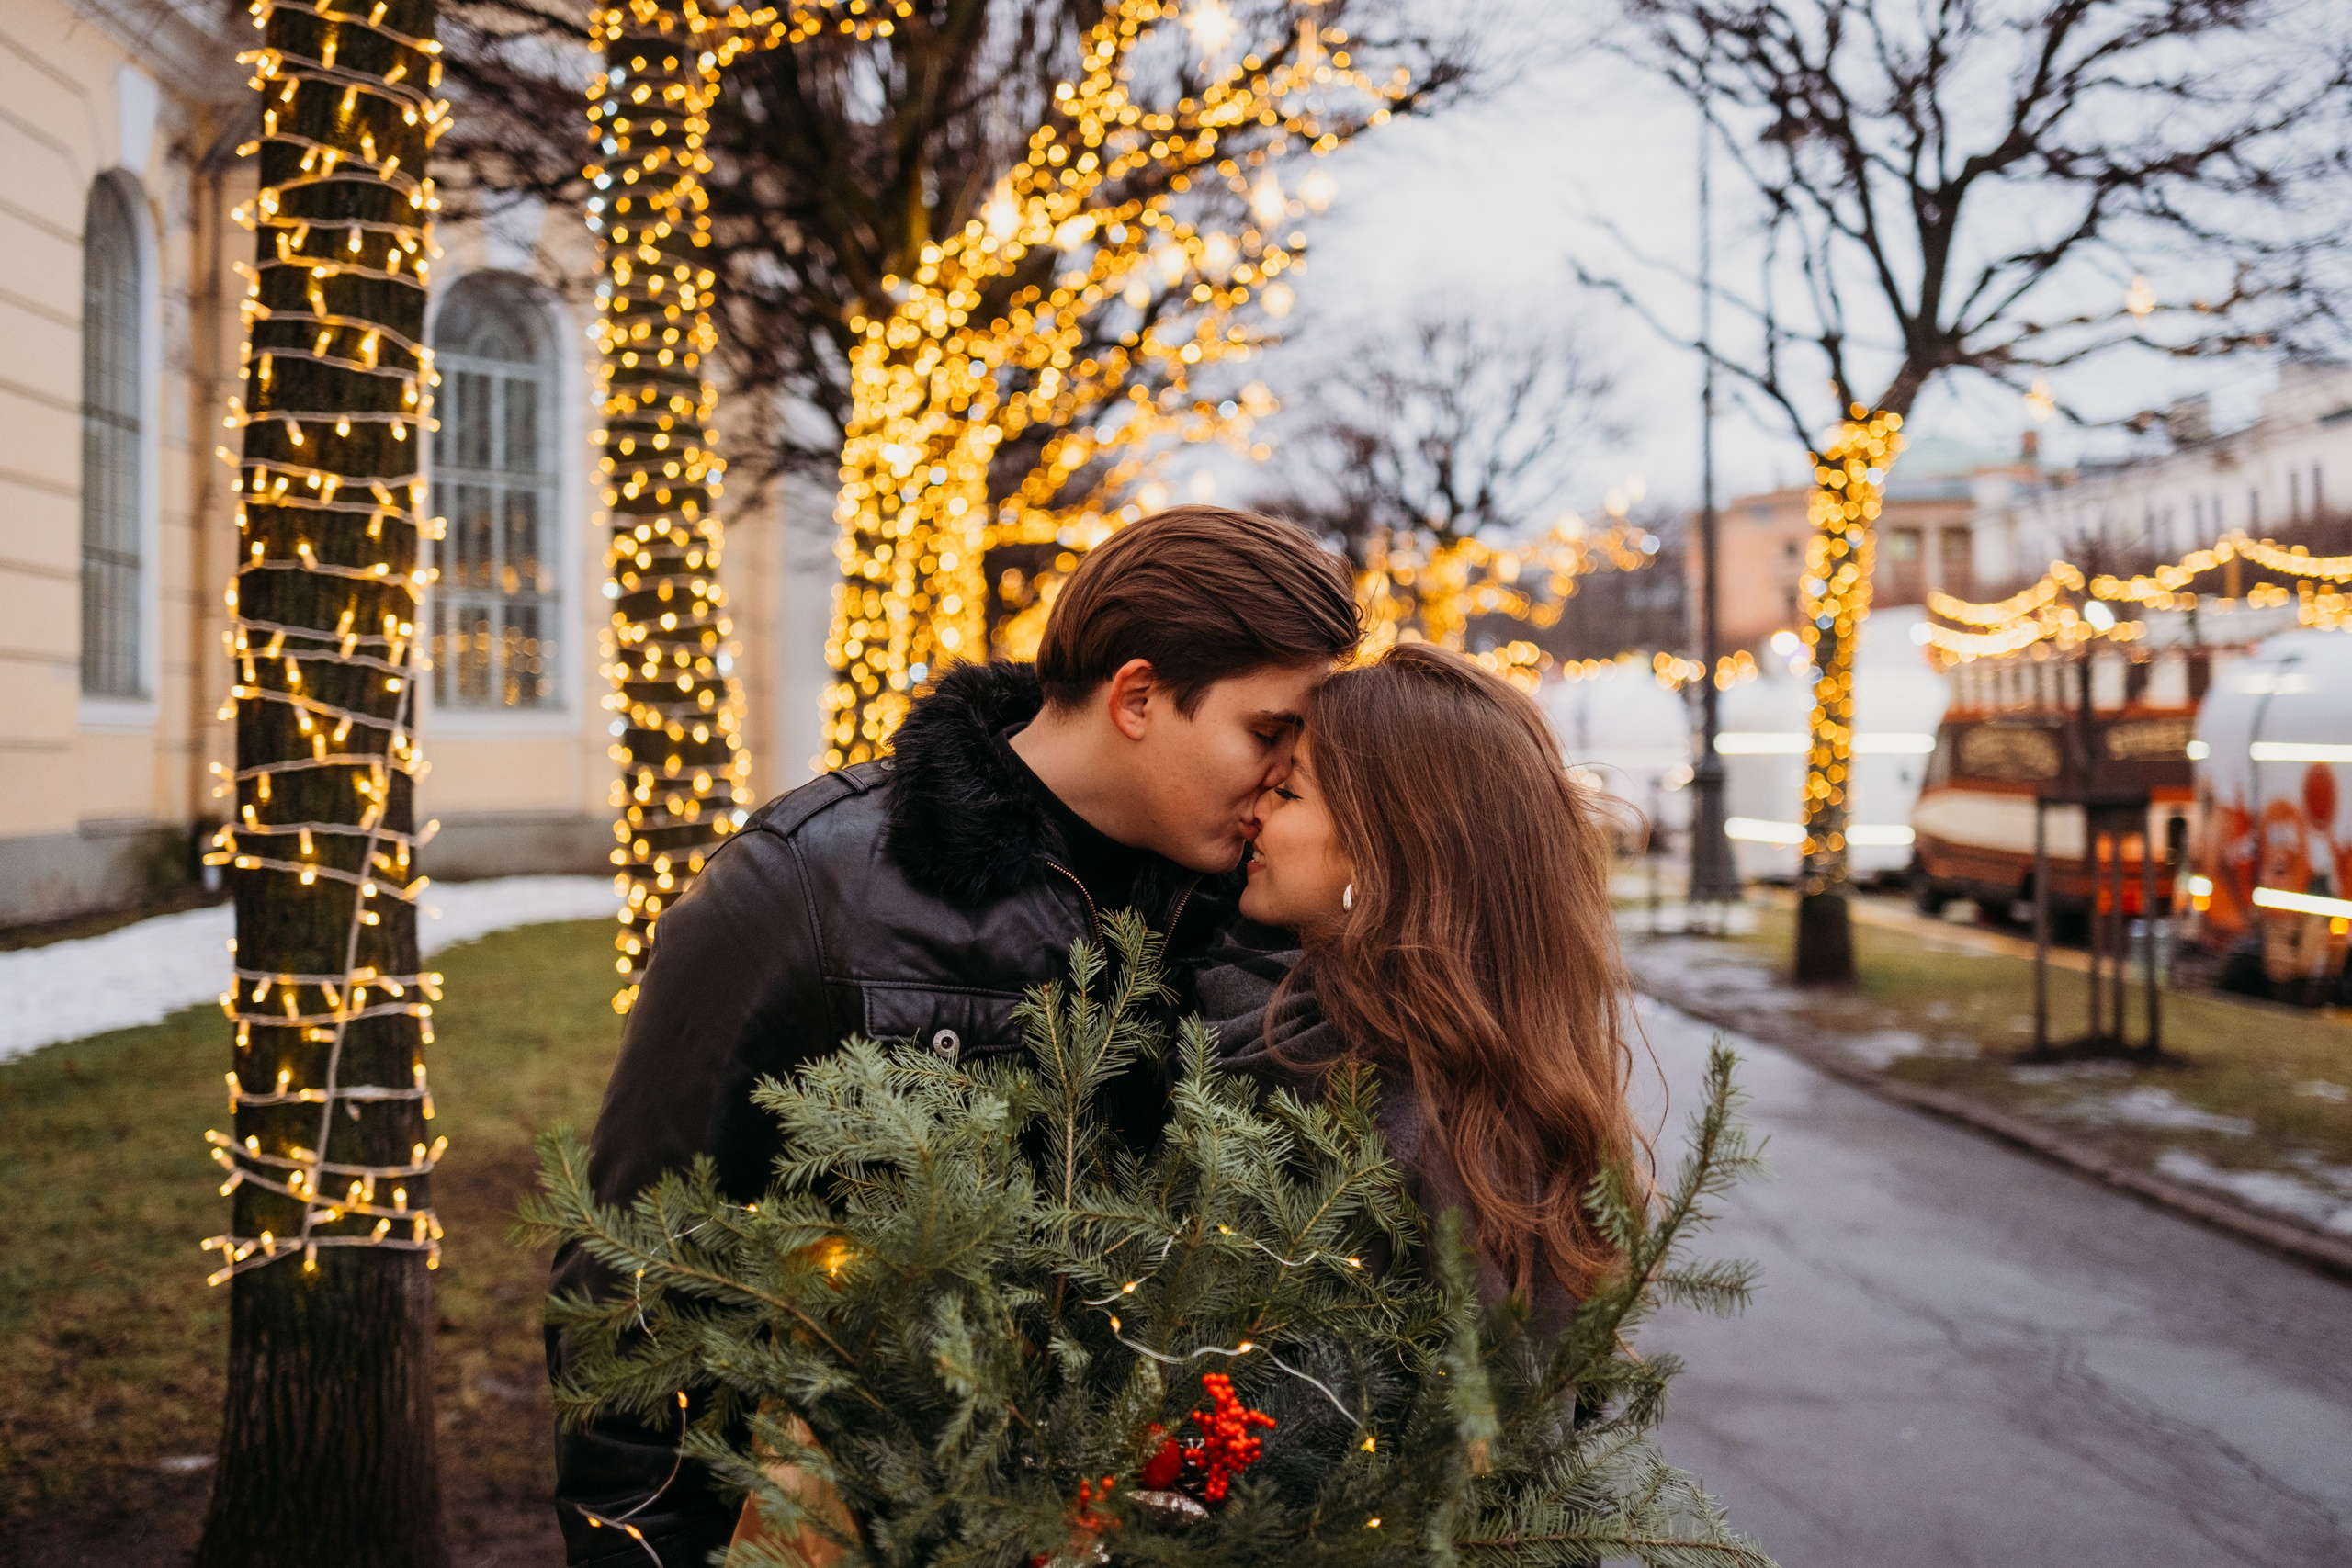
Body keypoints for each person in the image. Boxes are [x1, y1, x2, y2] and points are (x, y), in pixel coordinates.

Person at [549, 506, 1361, 1566]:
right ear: (1136, 697)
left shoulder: (1251, 916)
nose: (1283, 775)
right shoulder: (809, 887)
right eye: (1265, 733)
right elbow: (636, 1279)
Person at [1197, 643, 1644, 1330]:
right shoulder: (1248, 1001)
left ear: (1382, 852)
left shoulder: (1415, 1128)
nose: (1255, 808)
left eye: (1288, 792)